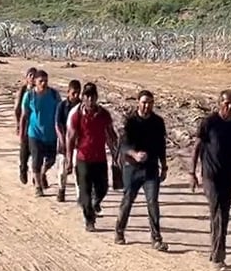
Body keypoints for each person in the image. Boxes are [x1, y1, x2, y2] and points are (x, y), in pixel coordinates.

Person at [190, 90, 231, 271]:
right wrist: (192, 172)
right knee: (218, 213)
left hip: (229, 176)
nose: (230, 107)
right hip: (210, 175)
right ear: (219, 103)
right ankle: (218, 258)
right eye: (226, 103)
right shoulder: (209, 123)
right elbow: (197, 147)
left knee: (222, 215)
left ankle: (214, 250)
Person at [115, 90, 169, 252]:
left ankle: (156, 238)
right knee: (128, 200)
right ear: (138, 102)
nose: (147, 106)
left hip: (151, 168)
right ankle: (119, 231)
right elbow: (123, 145)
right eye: (144, 102)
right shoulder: (130, 122)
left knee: (152, 202)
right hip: (132, 168)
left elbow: (161, 146)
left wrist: (164, 165)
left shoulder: (158, 122)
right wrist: (134, 154)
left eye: (150, 102)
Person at [65, 83, 118, 232]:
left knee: (102, 188)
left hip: (100, 158)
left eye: (92, 96)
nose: (89, 99)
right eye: (87, 96)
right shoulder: (77, 115)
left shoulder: (103, 114)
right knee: (85, 192)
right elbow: (70, 137)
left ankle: (96, 203)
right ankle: (89, 220)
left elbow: (110, 134)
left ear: (96, 97)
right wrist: (69, 159)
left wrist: (116, 153)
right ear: (83, 97)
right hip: (83, 158)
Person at [20, 70, 62, 196]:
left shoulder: (54, 95)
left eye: (45, 81)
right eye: (41, 81)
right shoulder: (29, 96)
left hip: (51, 134)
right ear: (35, 82)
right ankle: (38, 187)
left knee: (51, 159)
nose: (43, 83)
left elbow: (60, 113)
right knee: (36, 160)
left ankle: (42, 173)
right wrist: (22, 133)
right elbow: (24, 116)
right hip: (35, 134)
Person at [55, 80, 82, 202]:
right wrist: (62, 141)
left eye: (78, 93)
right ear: (68, 92)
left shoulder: (81, 107)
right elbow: (58, 124)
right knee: (62, 170)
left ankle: (80, 196)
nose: (76, 96)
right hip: (64, 141)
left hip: (77, 144)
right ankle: (61, 189)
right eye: (73, 93)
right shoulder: (62, 106)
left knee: (78, 170)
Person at [15, 68, 37, 184]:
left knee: (37, 152)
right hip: (26, 122)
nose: (32, 78)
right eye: (30, 75)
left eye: (34, 76)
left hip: (37, 125)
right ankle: (23, 168)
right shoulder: (23, 91)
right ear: (27, 78)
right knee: (24, 149)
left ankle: (36, 175)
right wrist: (18, 124)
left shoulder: (40, 91)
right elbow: (17, 108)